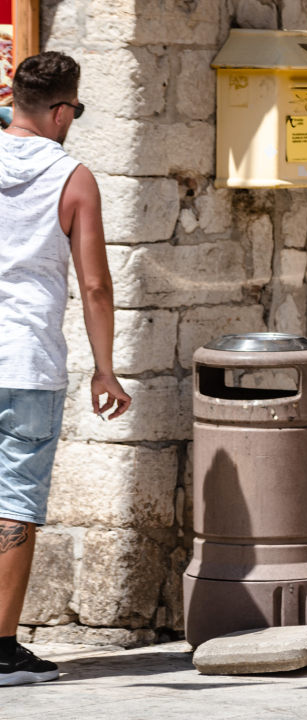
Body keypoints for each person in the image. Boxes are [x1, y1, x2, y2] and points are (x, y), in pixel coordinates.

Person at [0, 51, 131, 685]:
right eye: (74, 110)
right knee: (14, 502)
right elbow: (97, 285)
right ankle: (0, 649)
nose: (74, 120)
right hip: (25, 361)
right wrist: (105, 369)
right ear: (59, 110)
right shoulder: (73, 178)